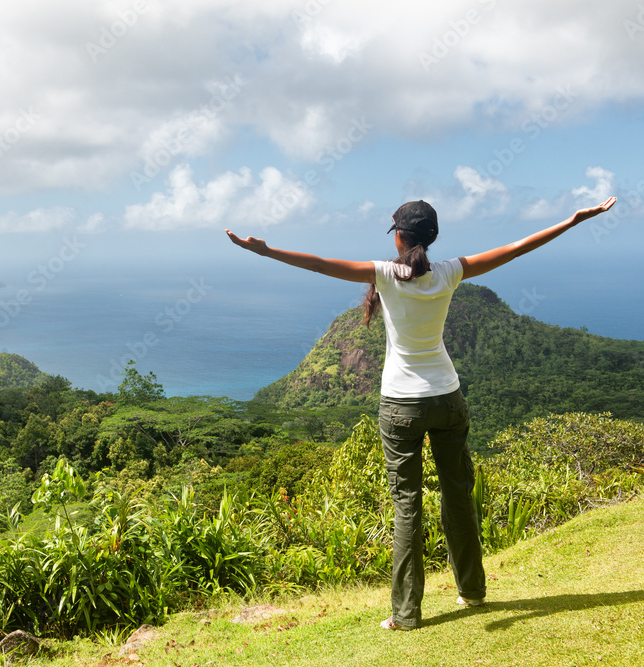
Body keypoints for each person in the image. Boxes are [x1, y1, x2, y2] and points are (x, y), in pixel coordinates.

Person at [225, 195, 616, 630]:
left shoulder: (385, 275)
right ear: (430, 238)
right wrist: (574, 220)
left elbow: (319, 264)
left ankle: (406, 614)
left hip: (401, 406)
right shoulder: (450, 272)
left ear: (399, 237)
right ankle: (472, 591)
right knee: (458, 495)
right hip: (448, 399)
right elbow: (517, 247)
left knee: (407, 506)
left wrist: (265, 251)